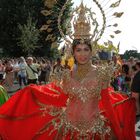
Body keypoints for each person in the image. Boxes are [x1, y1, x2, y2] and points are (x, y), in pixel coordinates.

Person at [0, 2, 136, 140]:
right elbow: (60, 99)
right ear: (73, 52)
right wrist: (35, 92)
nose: (82, 54)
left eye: (86, 49)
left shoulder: (102, 74)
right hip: (67, 129)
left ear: (91, 51)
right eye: (78, 50)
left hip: (96, 130)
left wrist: (118, 130)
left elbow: (107, 103)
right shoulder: (67, 75)